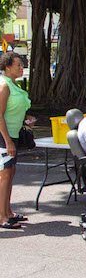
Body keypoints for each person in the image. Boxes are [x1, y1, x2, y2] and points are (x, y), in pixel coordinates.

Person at [0, 52, 32, 230]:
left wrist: (26, 119)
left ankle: (8, 211)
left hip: (13, 133)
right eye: (18, 65)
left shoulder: (13, 84)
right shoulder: (4, 85)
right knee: (4, 175)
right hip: (4, 136)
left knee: (10, 172)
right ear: (7, 66)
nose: (22, 68)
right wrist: (8, 142)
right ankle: (2, 216)